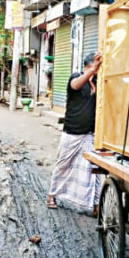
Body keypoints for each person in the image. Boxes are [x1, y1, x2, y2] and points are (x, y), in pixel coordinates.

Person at [46, 52, 103, 215]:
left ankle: (96, 205)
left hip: (90, 133)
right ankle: (52, 195)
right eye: (96, 67)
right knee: (63, 164)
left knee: (95, 170)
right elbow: (75, 85)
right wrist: (92, 72)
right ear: (90, 66)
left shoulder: (98, 82)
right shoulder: (76, 77)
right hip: (72, 131)